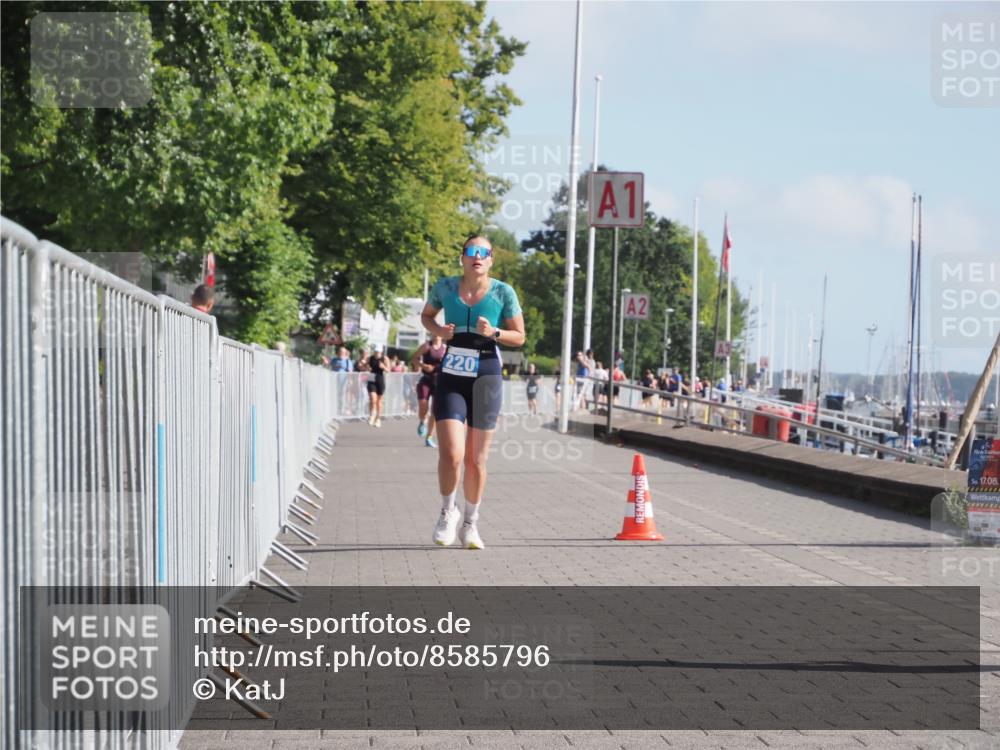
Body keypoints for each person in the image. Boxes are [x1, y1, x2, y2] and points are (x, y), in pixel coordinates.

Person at [420, 235, 525, 550]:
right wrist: (439, 331)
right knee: (451, 454)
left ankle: (471, 523)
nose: (477, 257)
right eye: (471, 251)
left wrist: (495, 332)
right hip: (452, 374)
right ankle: (447, 512)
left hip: (486, 377)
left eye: (483, 252)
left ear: (491, 259)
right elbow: (426, 316)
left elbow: (519, 336)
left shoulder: (503, 292)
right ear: (463, 257)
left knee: (476, 460)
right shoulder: (445, 287)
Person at [412, 335, 446, 448]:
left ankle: (429, 437)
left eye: (439, 331)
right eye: (435, 331)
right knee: (423, 404)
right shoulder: (426, 346)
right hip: (426, 380)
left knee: (435, 411)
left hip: (439, 381)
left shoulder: (445, 348)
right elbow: (414, 359)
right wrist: (423, 366)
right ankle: (422, 421)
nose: (437, 334)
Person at [366, 346, 388, 427]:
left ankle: (378, 419)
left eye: (378, 352)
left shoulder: (385, 359)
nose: (376, 353)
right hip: (371, 378)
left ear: (381, 352)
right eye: (375, 351)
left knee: (379, 401)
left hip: (380, 380)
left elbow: (388, 370)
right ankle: (372, 415)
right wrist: (367, 367)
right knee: (372, 399)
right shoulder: (370, 358)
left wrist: (384, 367)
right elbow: (365, 366)